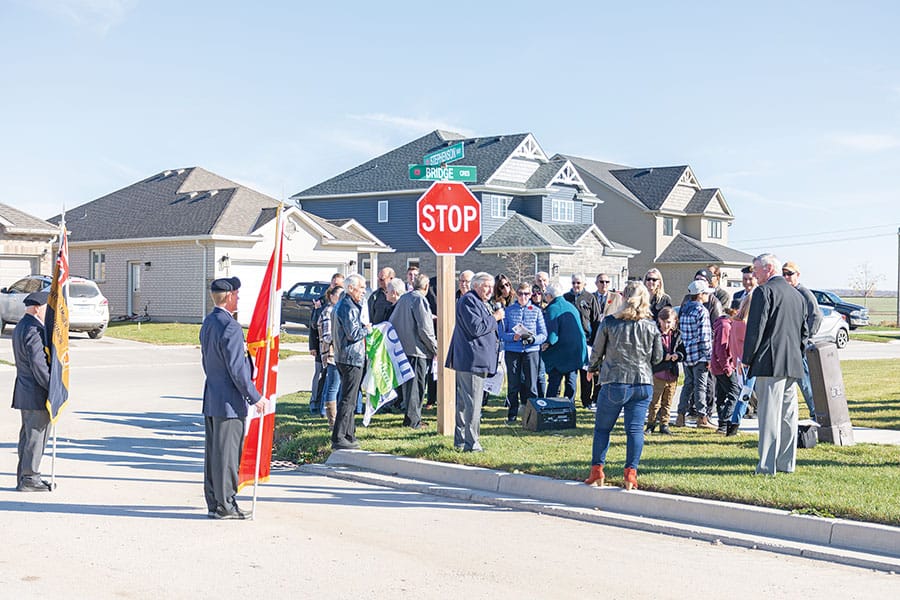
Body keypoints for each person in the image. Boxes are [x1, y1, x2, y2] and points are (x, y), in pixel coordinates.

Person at [584, 281, 663, 490]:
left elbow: (597, 350)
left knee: (602, 429)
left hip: (614, 380)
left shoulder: (610, 322)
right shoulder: (651, 325)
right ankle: (630, 474)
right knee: (635, 430)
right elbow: (657, 357)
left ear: (622, 297)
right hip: (642, 381)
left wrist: (592, 369)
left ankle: (597, 471)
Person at [200, 277, 268, 519]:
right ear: (228, 297)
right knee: (227, 456)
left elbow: (208, 362)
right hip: (229, 402)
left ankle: (214, 503)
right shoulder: (230, 327)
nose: (238, 298)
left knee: (214, 455)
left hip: (213, 398)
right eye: (237, 295)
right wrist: (255, 396)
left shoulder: (209, 322)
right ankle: (226, 505)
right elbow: (237, 369)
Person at [744, 253, 808, 475]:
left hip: (770, 362)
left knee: (769, 416)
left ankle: (766, 466)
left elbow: (756, 329)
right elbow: (804, 332)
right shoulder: (797, 294)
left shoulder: (764, 292)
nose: (753, 274)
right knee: (788, 416)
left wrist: (747, 359)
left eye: (756, 270)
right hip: (792, 362)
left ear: (768, 268)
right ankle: (786, 464)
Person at [446, 272, 502, 452]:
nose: (490, 290)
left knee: (465, 402)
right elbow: (476, 327)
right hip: (471, 360)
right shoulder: (468, 301)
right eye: (486, 286)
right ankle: (472, 443)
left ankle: (461, 441)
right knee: (472, 403)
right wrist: (495, 317)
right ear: (476, 285)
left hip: (474, 359)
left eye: (492, 287)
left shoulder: (481, 302)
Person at [12, 291, 52, 492]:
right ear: (37, 308)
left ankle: (25, 476)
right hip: (36, 393)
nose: (48, 312)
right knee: (36, 437)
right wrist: (52, 389)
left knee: (28, 437)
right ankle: (30, 478)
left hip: (25, 392)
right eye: (46, 308)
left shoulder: (22, 326)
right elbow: (39, 365)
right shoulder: (33, 330)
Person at [389, 273, 437, 429]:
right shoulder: (420, 300)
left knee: (410, 387)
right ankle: (413, 421)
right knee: (417, 388)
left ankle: (411, 418)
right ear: (426, 286)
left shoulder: (404, 298)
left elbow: (393, 321)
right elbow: (425, 329)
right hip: (417, 350)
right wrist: (435, 348)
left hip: (403, 349)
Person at [499, 282, 547, 425]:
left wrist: (534, 339)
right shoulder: (508, 310)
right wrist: (511, 337)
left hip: (531, 352)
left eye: (526, 294)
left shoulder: (536, 311)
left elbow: (543, 334)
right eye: (520, 294)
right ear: (516, 294)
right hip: (513, 351)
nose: (523, 297)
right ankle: (512, 413)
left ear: (531, 295)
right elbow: (501, 332)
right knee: (513, 384)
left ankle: (532, 414)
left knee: (531, 384)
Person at [332, 273, 371, 450]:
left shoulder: (348, 304)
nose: (363, 291)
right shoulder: (347, 306)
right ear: (351, 288)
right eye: (361, 288)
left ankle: (349, 433)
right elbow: (353, 333)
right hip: (350, 357)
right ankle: (339, 436)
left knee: (351, 398)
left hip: (346, 356)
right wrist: (367, 329)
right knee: (348, 399)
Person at [782, 260, 823, 419]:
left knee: (805, 381)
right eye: (784, 274)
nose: (786, 277)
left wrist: (806, 338)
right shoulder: (786, 292)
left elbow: (816, 316)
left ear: (797, 275)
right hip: (788, 344)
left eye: (790, 274)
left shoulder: (804, 293)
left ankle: (816, 412)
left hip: (800, 346)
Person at [674, 280, 716, 429]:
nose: (707, 296)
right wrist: (709, 357)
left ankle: (680, 416)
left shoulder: (684, 309)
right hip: (700, 355)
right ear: (700, 295)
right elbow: (705, 337)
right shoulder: (701, 311)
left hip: (687, 354)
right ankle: (702, 417)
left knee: (688, 385)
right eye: (705, 293)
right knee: (701, 387)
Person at [540, 284, 587, 402]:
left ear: (549, 296)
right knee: (571, 380)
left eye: (545, 295)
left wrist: (545, 344)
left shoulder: (553, 308)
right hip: (576, 351)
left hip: (560, 353)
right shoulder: (571, 306)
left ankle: (550, 404)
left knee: (554, 382)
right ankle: (570, 405)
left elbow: (552, 336)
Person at [565, 273, 601, 409]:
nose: (575, 285)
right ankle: (570, 400)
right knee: (570, 373)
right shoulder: (566, 298)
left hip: (587, 341)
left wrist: (596, 341)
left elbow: (596, 320)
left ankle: (586, 401)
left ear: (584, 284)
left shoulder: (590, 298)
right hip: (570, 342)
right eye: (574, 283)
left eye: (578, 283)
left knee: (586, 373)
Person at [646, 306, 683, 435]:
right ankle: (651, 424)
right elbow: (650, 353)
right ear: (659, 320)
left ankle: (664, 424)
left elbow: (682, 350)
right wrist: (663, 357)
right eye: (664, 322)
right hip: (658, 372)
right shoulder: (655, 334)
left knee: (668, 401)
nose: (667, 325)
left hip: (672, 373)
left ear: (674, 322)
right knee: (655, 401)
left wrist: (677, 355)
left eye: (669, 322)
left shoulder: (677, 335)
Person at [317, 285, 344, 427]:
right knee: (333, 387)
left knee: (337, 386)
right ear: (332, 297)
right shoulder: (328, 312)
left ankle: (336, 418)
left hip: (338, 354)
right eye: (339, 295)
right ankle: (332, 421)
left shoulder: (337, 310)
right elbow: (327, 336)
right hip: (331, 355)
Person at [711, 308, 740, 434]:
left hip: (720, 366)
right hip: (723, 366)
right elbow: (721, 349)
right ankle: (725, 423)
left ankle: (722, 425)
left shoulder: (724, 324)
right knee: (734, 394)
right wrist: (727, 367)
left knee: (722, 395)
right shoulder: (725, 326)